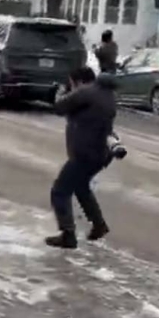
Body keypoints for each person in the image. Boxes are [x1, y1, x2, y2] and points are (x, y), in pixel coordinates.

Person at [46, 65, 116, 249]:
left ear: (78, 82)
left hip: (85, 153)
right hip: (100, 154)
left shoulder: (86, 93)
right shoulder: (106, 95)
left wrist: (61, 92)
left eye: (71, 83)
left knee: (60, 191)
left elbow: (59, 106)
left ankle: (68, 234)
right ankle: (99, 225)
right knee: (81, 187)